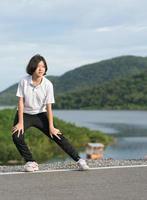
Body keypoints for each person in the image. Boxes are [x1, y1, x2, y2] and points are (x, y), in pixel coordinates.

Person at [12, 54, 89, 172]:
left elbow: (49, 107)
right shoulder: (24, 81)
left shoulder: (48, 84)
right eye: (38, 66)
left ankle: (79, 160)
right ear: (32, 67)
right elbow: (20, 102)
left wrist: (51, 126)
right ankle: (31, 162)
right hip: (25, 114)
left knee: (56, 134)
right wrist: (21, 122)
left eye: (43, 66)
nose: (41, 69)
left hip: (40, 114)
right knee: (17, 136)